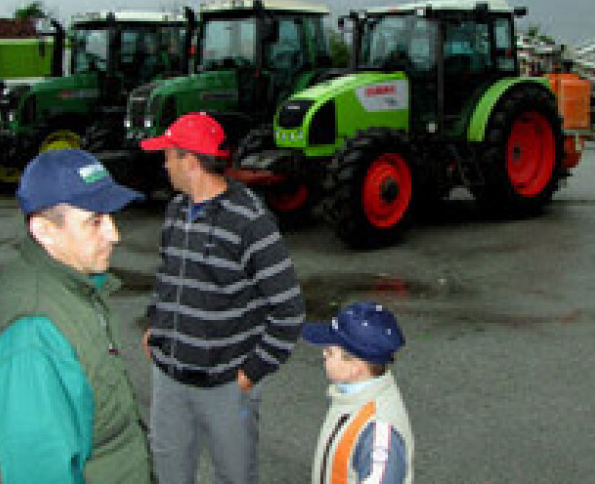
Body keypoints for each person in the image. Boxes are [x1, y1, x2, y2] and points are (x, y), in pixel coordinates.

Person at [0, 149, 154, 483]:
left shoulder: (75, 286)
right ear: (45, 230)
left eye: (110, 218)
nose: (114, 234)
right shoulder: (33, 336)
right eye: (95, 221)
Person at [140, 112, 305, 484]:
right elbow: (169, 274)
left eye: (169, 154)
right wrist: (156, 324)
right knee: (168, 472)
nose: (164, 163)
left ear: (191, 161)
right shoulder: (176, 210)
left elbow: (289, 308)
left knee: (234, 477)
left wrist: (253, 372)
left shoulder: (249, 221)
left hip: (227, 385)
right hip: (169, 378)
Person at [302, 301, 414, 484]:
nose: (324, 354)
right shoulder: (352, 396)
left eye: (330, 352)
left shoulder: (378, 432)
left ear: (355, 368)